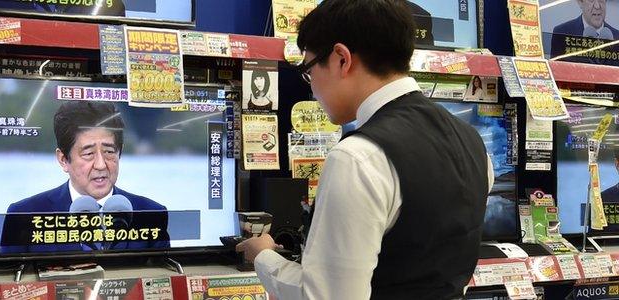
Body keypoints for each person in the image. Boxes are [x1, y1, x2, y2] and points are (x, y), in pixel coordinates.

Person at [235, 1, 494, 299]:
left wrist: (265, 256)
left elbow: (328, 295)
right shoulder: (471, 140)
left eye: (309, 71)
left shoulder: (357, 157)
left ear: (341, 59)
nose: (312, 86)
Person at [0, 101, 169, 254]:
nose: (101, 165)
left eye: (109, 152)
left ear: (120, 152)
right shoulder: (23, 216)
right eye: (88, 154)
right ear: (63, 160)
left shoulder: (151, 214)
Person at [551, 0, 619, 58]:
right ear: (580, 2)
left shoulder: (617, 38)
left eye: (601, 0)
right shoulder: (561, 32)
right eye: (591, 0)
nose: (597, 6)